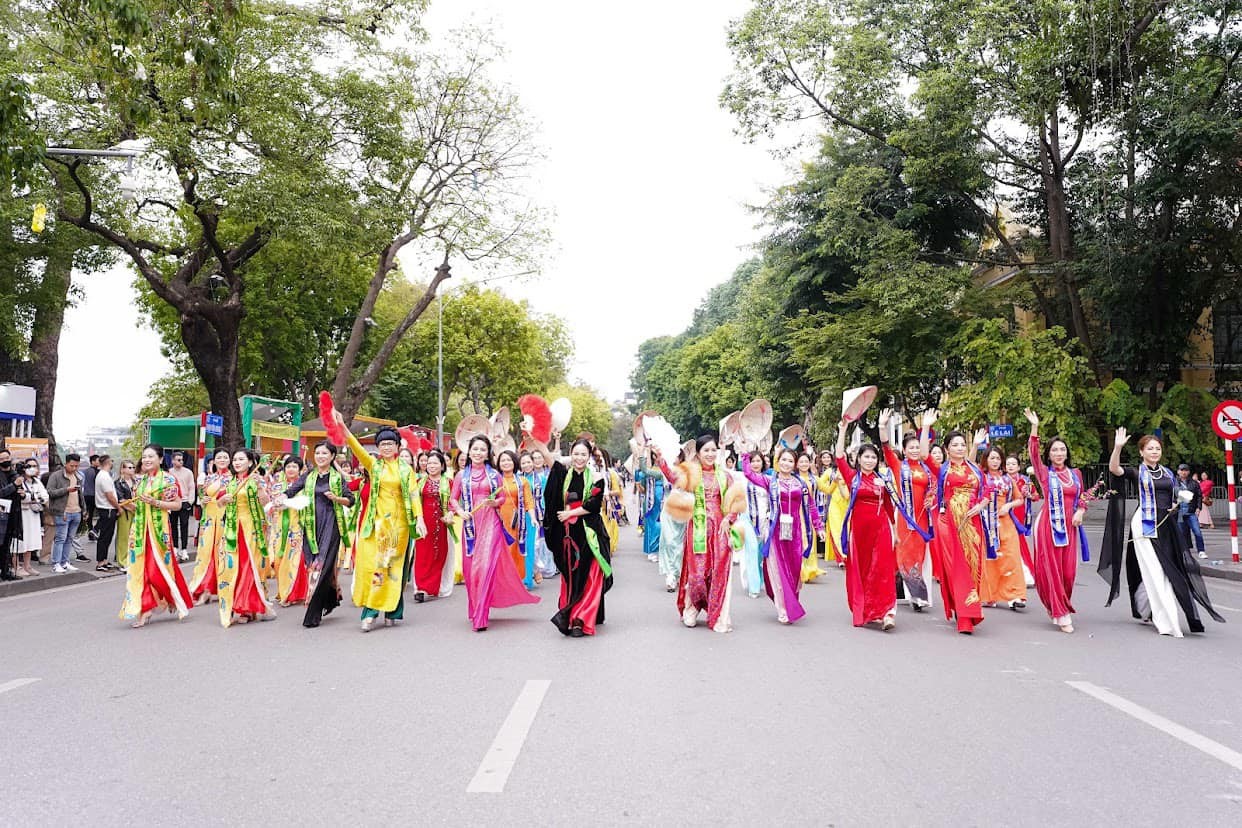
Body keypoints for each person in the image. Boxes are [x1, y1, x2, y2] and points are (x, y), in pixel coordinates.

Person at [1101, 430, 1223, 637]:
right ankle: (1166, 620)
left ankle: (1144, 607)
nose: (1155, 451)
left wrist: (1176, 505)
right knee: (1156, 569)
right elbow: (1115, 469)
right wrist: (1118, 447)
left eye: (1157, 448)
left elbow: (1170, 496)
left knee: (1169, 568)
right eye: (1150, 449)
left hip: (1166, 524)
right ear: (1141, 452)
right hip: (1145, 524)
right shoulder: (1138, 472)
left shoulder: (1167, 473)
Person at [331, 416, 425, 632]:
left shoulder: (406, 470)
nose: (385, 447)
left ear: (397, 446)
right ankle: (379, 611)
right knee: (375, 567)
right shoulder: (374, 466)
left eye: (389, 444)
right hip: (375, 526)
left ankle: (384, 612)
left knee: (392, 569)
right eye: (381, 444)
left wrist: (419, 519)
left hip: (398, 528)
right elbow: (356, 448)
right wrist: (344, 427)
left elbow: (413, 495)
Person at [451, 435, 539, 631]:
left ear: (488, 453)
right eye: (475, 449)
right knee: (470, 570)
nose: (478, 453)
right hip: (471, 525)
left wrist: (494, 503)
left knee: (484, 567)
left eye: (482, 450)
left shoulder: (494, 475)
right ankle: (475, 607)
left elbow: (501, 498)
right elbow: (453, 499)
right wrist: (459, 511)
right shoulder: (461, 476)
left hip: (491, 523)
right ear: (469, 450)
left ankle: (481, 615)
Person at [656, 435, 736, 633]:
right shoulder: (692, 473)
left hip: (720, 528)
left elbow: (735, 501)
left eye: (713, 450)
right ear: (698, 454)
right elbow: (673, 478)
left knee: (718, 571)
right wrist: (660, 459)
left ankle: (718, 614)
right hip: (697, 527)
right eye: (706, 450)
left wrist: (730, 519)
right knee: (698, 572)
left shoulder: (725, 476)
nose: (710, 454)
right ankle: (693, 607)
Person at [535, 436, 613, 637]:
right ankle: (570, 614)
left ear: (589, 456)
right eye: (576, 454)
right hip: (568, 537)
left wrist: (570, 513)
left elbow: (593, 506)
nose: (579, 458)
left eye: (583, 454)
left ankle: (581, 619)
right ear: (572, 455)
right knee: (571, 578)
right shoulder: (564, 474)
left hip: (590, 534)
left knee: (589, 577)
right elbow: (546, 455)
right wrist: (534, 435)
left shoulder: (596, 478)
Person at [276, 441, 355, 627]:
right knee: (312, 565)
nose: (320, 456)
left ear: (332, 457)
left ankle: (313, 612)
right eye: (317, 453)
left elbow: (350, 500)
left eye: (324, 453)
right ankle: (330, 599)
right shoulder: (308, 476)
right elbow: (292, 490)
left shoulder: (336, 478)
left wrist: (336, 499)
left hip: (331, 525)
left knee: (322, 566)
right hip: (311, 526)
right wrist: (282, 497)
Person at [1023, 409, 1088, 633]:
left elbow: (1082, 498)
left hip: (1070, 527)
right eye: (1054, 450)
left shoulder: (1076, 474)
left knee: (1068, 573)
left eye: (1062, 449)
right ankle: (1062, 614)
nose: (1059, 453)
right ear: (1049, 455)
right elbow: (1033, 453)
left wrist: (1081, 510)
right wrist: (1035, 427)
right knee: (1051, 570)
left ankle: (1058, 605)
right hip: (1048, 526)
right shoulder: (1044, 473)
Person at [741, 447, 821, 624]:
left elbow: (811, 507)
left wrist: (819, 526)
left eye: (790, 461)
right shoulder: (770, 481)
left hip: (795, 531)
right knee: (778, 570)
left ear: (795, 465)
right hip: (776, 530)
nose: (786, 464)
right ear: (778, 461)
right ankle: (783, 608)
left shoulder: (801, 484)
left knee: (793, 569)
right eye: (783, 460)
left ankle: (791, 602)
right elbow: (749, 474)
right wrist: (745, 455)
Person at [834, 420, 900, 631]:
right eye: (866, 456)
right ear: (859, 459)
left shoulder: (884, 480)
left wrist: (895, 531)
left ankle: (887, 612)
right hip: (859, 531)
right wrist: (843, 429)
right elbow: (839, 456)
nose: (870, 460)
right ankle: (865, 609)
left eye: (873, 457)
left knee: (883, 569)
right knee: (862, 570)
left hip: (881, 529)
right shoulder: (852, 477)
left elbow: (890, 508)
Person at [119, 444, 192, 628]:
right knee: (139, 571)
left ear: (160, 459)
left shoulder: (168, 480)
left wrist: (156, 502)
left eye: (151, 456)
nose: (147, 460)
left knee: (158, 569)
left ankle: (170, 597)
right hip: (140, 531)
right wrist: (127, 505)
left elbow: (177, 505)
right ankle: (145, 609)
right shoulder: (140, 482)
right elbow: (139, 508)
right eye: (144, 457)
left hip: (159, 533)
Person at [879, 410, 936, 611]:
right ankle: (914, 593)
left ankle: (919, 594)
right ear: (904, 450)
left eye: (916, 447)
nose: (914, 450)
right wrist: (882, 426)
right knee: (905, 553)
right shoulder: (898, 466)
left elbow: (935, 489)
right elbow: (886, 448)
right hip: (904, 517)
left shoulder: (927, 469)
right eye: (910, 447)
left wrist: (931, 499)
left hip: (922, 518)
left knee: (920, 554)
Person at [934, 428, 988, 634]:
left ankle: (967, 608)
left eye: (962, 445)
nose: (960, 448)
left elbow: (987, 492)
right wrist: (928, 428)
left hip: (972, 524)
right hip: (949, 523)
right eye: (955, 445)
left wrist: (981, 505)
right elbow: (923, 455)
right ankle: (964, 616)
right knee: (955, 567)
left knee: (973, 565)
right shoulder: (943, 470)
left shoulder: (974, 470)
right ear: (947, 449)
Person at [213, 449, 276, 626]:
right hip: (232, 528)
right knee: (231, 567)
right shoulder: (229, 482)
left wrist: (261, 487)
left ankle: (246, 607)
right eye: (235, 459)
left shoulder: (255, 480)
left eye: (241, 459)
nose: (236, 462)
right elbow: (219, 503)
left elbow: (266, 503)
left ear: (250, 463)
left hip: (251, 528)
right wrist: (223, 500)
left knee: (249, 567)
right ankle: (235, 604)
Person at [978, 446, 1029, 610]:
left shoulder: (1008, 479)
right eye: (991, 458)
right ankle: (989, 595)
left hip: (1006, 523)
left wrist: (1008, 505)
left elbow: (1019, 499)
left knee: (1012, 557)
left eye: (998, 458)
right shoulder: (980, 477)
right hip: (986, 523)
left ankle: (1015, 595)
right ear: (986, 459)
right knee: (990, 559)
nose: (995, 461)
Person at [412, 449, 454, 603]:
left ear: (442, 466)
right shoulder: (418, 483)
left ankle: (432, 587)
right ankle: (421, 588)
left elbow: (454, 502)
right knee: (422, 554)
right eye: (429, 463)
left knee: (438, 553)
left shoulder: (449, 482)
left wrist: (450, 513)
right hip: (423, 522)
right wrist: (417, 519)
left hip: (441, 524)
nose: (431, 465)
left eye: (435, 463)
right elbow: (413, 502)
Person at [190, 449, 231, 604]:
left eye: (225, 457)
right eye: (219, 457)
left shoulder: (233, 479)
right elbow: (203, 497)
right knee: (206, 554)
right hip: (209, 520)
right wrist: (204, 500)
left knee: (223, 553)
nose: (222, 459)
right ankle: (205, 589)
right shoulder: (209, 479)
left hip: (225, 519)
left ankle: (224, 587)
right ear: (213, 461)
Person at [270, 456, 311, 606]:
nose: (291, 469)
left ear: (300, 470)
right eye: (288, 467)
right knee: (279, 561)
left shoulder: (305, 487)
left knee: (295, 561)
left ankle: (291, 594)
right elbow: (273, 504)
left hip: (297, 527)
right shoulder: (277, 486)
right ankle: (282, 591)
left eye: (294, 467)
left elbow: (307, 504)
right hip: (280, 528)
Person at [496, 449, 537, 589]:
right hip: (499, 521)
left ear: (514, 462)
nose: (506, 463)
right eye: (503, 460)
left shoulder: (522, 481)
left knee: (516, 550)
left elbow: (528, 501)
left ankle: (518, 580)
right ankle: (502, 581)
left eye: (508, 460)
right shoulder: (495, 479)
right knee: (502, 551)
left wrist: (532, 517)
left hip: (517, 522)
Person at [45, 453, 85, 574]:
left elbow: (80, 495)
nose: (74, 468)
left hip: (76, 511)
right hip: (62, 512)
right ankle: (56, 563)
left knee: (70, 538)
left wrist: (84, 509)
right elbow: (50, 492)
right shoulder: (56, 476)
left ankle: (65, 562)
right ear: (66, 463)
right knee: (60, 539)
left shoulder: (78, 476)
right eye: (72, 465)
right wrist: (66, 490)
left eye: (77, 466)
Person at [796, 452, 829, 583]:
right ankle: (800, 569)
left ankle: (811, 568)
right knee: (800, 540)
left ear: (810, 463)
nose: (804, 464)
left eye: (806, 461)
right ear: (796, 464)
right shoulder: (793, 478)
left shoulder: (814, 479)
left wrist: (837, 482)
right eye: (801, 461)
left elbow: (827, 489)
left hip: (811, 513)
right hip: (796, 514)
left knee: (811, 541)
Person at [14, 458, 48, 577]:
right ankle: (16, 566)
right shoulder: (19, 480)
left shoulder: (37, 482)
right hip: (21, 514)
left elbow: (45, 496)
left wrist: (31, 497)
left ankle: (27, 566)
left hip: (33, 514)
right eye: (29, 466)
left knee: (31, 541)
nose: (32, 468)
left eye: (34, 466)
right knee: (19, 541)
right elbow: (19, 496)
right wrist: (32, 498)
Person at [635, 454, 667, 563]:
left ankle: (656, 550)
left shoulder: (663, 472)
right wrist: (639, 486)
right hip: (649, 501)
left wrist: (641, 454)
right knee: (650, 525)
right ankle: (651, 550)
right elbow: (643, 489)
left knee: (658, 525)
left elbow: (645, 470)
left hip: (660, 500)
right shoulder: (650, 470)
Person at [92, 455, 121, 572]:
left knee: (108, 536)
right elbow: (110, 496)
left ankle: (104, 559)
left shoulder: (103, 475)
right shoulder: (104, 476)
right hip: (107, 508)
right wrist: (118, 507)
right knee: (104, 537)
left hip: (106, 508)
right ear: (108, 462)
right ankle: (100, 562)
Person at [1173, 464, 1206, 559]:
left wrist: (1198, 507)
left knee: (1197, 531)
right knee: (1181, 533)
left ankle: (1201, 550)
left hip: (1191, 511)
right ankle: (1184, 551)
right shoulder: (1174, 483)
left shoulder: (1194, 483)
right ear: (1178, 471)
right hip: (1179, 512)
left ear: (1189, 472)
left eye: (1186, 470)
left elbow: (1199, 496)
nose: (1184, 472)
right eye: (1182, 470)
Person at [169, 451, 196, 562]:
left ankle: (184, 548)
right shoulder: (169, 473)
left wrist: (190, 501)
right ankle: (175, 547)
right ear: (173, 461)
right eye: (178, 459)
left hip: (184, 501)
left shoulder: (188, 472)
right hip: (173, 502)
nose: (181, 462)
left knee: (184, 525)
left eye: (182, 459)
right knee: (173, 525)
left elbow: (191, 487)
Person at [0, 449, 22, 581]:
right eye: (1, 459)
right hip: (1, 514)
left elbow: (17, 491)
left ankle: (5, 570)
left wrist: (22, 493)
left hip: (12, 514)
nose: (5, 461)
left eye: (6, 458)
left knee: (7, 544)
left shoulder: (14, 474)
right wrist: (14, 485)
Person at [113, 460, 138, 571]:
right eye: (129, 467)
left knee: (133, 537)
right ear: (122, 469)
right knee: (123, 537)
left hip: (135, 511)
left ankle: (131, 559)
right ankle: (122, 561)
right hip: (125, 512)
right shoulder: (118, 483)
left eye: (133, 467)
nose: (132, 469)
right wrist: (132, 506)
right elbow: (120, 499)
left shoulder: (136, 481)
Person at [81, 454, 99, 540]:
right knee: (102, 514)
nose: (99, 462)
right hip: (94, 495)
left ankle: (90, 530)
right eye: (97, 460)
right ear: (93, 461)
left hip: (86, 494)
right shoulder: (96, 471)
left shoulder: (85, 471)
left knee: (90, 514)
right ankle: (94, 530)